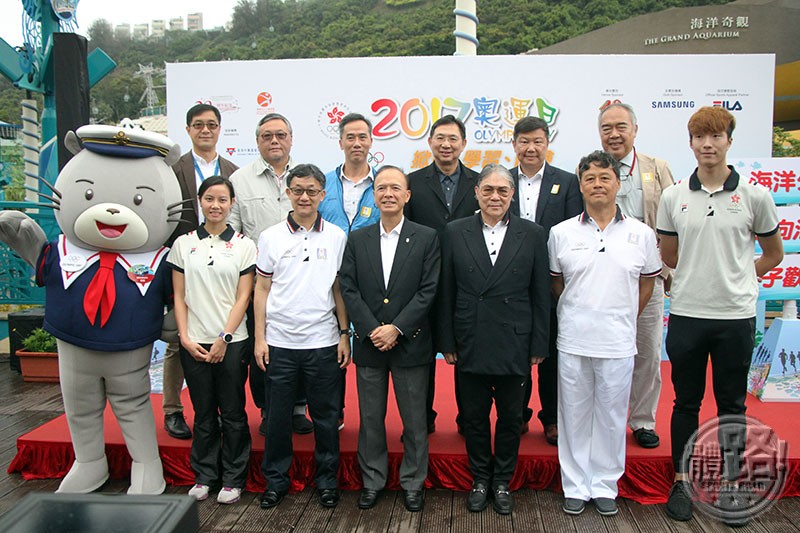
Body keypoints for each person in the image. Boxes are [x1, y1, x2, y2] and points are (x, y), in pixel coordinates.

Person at [658, 106, 783, 526]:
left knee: (732, 404)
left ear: (729, 141)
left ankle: (732, 483)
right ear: (690, 143)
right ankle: (681, 481)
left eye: (716, 137)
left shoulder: (753, 196)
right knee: (685, 402)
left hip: (735, 317)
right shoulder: (674, 196)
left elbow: (773, 254)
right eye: (699, 138)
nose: (707, 145)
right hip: (688, 315)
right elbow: (670, 255)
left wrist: (741, 279)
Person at [549, 151, 661, 517]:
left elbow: (646, 284)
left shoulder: (641, 234)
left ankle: (605, 484)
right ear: (580, 185)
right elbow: (557, 283)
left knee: (612, 416)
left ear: (617, 183)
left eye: (604, 177)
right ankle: (576, 485)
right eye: (589, 178)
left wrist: (624, 316)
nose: (597, 184)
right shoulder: (561, 233)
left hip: (617, 341)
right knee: (574, 414)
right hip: (574, 339)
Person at [438, 164, 550, 515]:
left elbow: (540, 294)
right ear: (476, 193)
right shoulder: (455, 231)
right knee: (472, 415)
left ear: (513, 194)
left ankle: (502, 480)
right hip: (470, 336)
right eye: (488, 190)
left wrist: (539, 344)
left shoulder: (532, 233)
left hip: (514, 339)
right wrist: (447, 341)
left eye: (503, 190)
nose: (495, 197)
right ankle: (480, 478)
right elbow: (447, 290)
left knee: (510, 416)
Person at [339, 166, 441, 512]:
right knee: (370, 419)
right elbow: (348, 288)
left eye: (395, 188)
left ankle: (413, 482)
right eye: (381, 188)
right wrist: (371, 329)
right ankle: (373, 480)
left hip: (410, 342)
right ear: (375, 195)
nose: (388, 194)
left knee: (414, 421)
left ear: (407, 195)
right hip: (369, 344)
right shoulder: (358, 238)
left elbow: (428, 290)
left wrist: (396, 328)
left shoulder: (426, 237)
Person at [256, 164, 351, 510]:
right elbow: (261, 288)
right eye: (298, 190)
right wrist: (259, 338)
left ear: (323, 195)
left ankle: (327, 481)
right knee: (278, 419)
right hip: (280, 343)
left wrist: (344, 334)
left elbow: (340, 289)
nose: (304, 197)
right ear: (288, 193)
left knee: (326, 418)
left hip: (323, 343)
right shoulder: (270, 236)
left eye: (311, 190)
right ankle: (276, 481)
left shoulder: (337, 236)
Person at [167, 176, 255, 504]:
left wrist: (224, 338)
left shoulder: (245, 245)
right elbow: (178, 296)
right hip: (193, 342)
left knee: (232, 410)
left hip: (232, 342)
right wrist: (185, 337)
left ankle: (233, 477)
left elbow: (243, 297)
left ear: (232, 204)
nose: (216, 206)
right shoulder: (184, 244)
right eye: (209, 199)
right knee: (203, 411)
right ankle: (205, 475)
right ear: (200, 202)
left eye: (222, 200)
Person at [228, 113, 312, 436]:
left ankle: (298, 409)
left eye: (280, 134)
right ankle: (267, 410)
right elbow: (233, 234)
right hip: (258, 282)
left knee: (302, 346)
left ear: (291, 139)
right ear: (257, 141)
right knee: (261, 350)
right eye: (266, 136)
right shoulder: (240, 180)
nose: (274, 141)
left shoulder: (307, 176)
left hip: (302, 282)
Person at [598, 102, 674, 450]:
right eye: (606, 128)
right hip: (602, 281)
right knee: (600, 352)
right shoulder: (591, 169)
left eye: (620, 127)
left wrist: (669, 270)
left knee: (645, 351)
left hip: (648, 278)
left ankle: (642, 419)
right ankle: (601, 418)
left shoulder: (656, 168)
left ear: (635, 129)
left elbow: (674, 222)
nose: (614, 134)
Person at [163, 103, 239, 440]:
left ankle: (216, 411)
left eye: (211, 124)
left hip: (222, 265)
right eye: (198, 125)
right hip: (185, 260)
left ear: (220, 129)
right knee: (179, 338)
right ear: (188, 129)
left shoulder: (233, 170)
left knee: (221, 333)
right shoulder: (171, 170)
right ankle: (172, 410)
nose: (205, 130)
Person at [404, 114, 480, 434]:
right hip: (423, 282)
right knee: (422, 356)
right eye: (440, 138)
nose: (446, 144)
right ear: (430, 142)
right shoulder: (413, 182)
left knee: (467, 354)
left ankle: (469, 420)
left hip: (468, 283)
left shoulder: (480, 183)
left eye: (453, 139)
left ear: (463, 144)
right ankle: (422, 417)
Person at [509, 116, 582, 445]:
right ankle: (518, 414)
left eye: (537, 141)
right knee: (516, 350)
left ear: (547, 144)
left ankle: (552, 418)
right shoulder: (501, 181)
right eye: (524, 141)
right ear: (514, 145)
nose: (530, 148)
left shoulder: (566, 183)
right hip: (510, 282)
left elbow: (573, 233)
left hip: (552, 280)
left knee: (552, 352)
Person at [319, 112, 381, 428]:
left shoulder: (383, 183)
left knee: (369, 348)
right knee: (332, 345)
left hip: (370, 280)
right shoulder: (323, 184)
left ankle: (372, 419)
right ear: (341, 141)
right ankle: (334, 412)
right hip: (325, 279)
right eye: (350, 137)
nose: (357, 143)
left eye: (362, 137)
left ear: (371, 141)